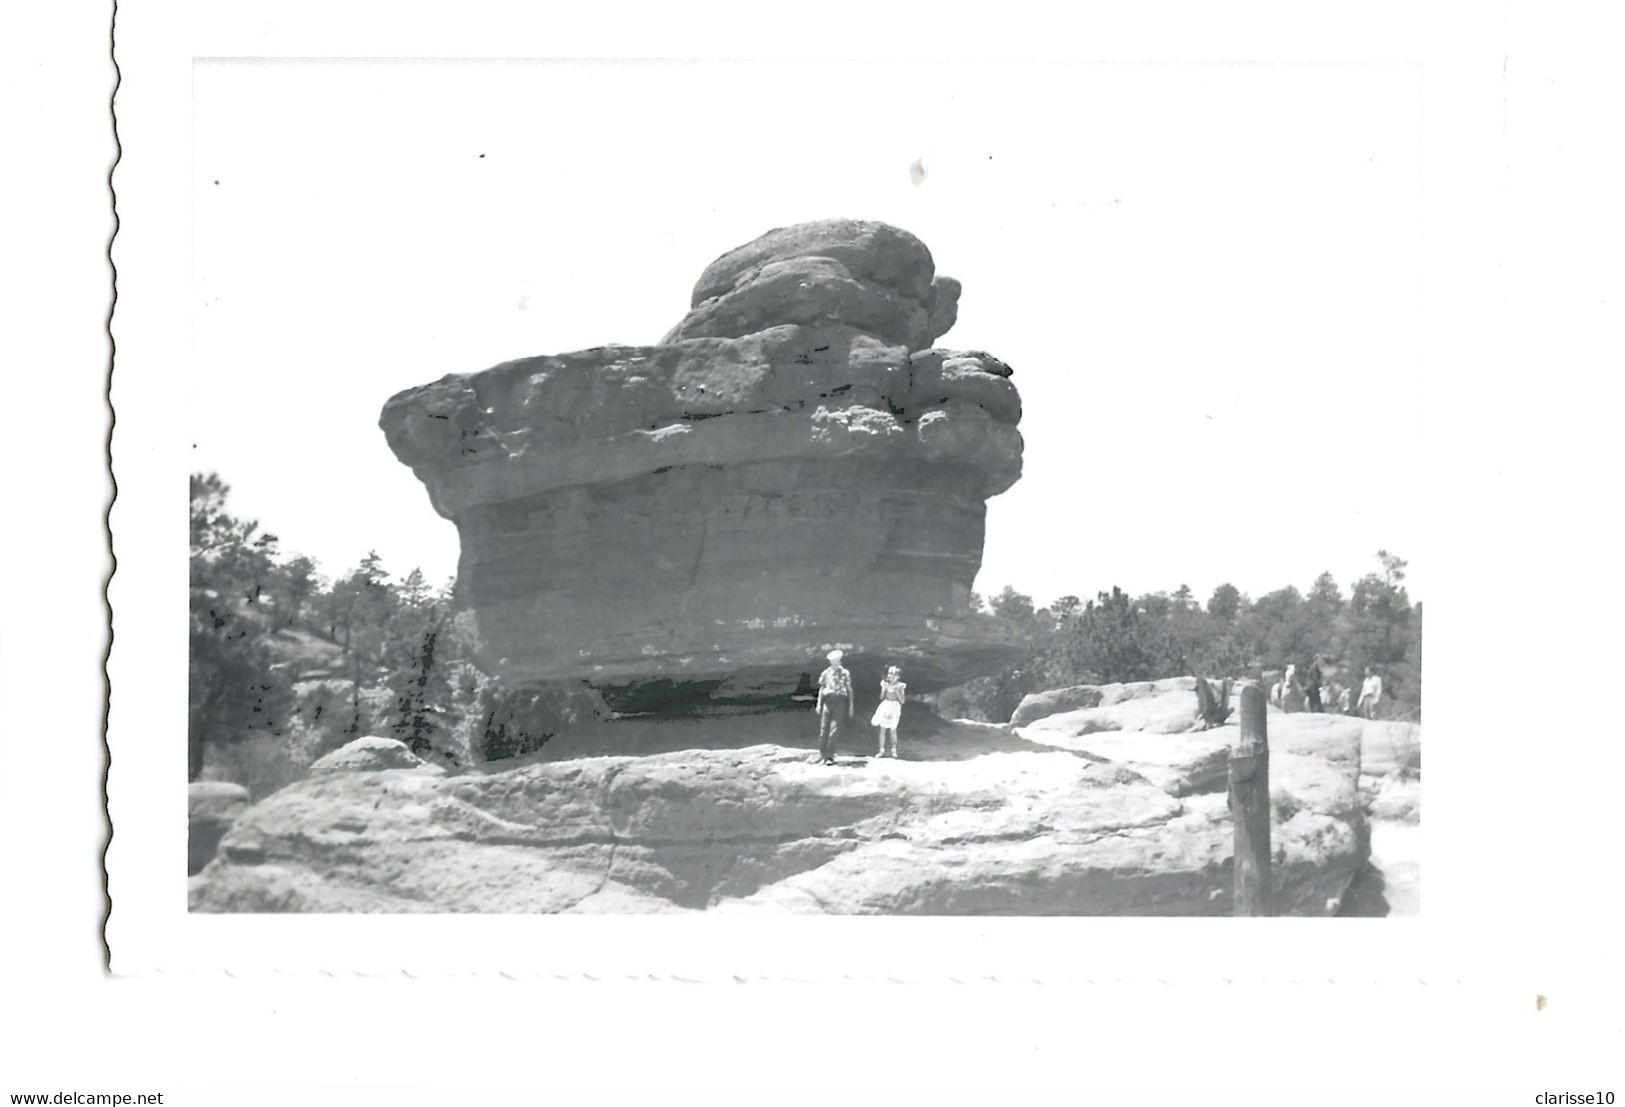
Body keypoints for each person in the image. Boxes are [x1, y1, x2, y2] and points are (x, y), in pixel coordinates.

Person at [814, 649, 854, 765]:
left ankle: (830, 756)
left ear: (839, 660)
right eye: (832, 660)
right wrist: (818, 704)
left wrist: (851, 705)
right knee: (823, 729)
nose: (833, 662)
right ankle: (822, 754)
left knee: (834, 730)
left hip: (840, 702)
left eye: (835, 660)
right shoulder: (826, 673)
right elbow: (821, 688)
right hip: (828, 702)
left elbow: (849, 689)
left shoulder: (845, 673)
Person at [871, 665, 907, 758]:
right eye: (889, 673)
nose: (891, 675)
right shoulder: (885, 684)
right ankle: (881, 750)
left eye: (894, 674)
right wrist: (884, 689)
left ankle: (893, 750)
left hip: (895, 707)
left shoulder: (900, 686)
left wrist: (896, 691)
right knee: (882, 728)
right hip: (885, 706)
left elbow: (902, 701)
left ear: (898, 676)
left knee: (893, 729)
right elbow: (881, 697)